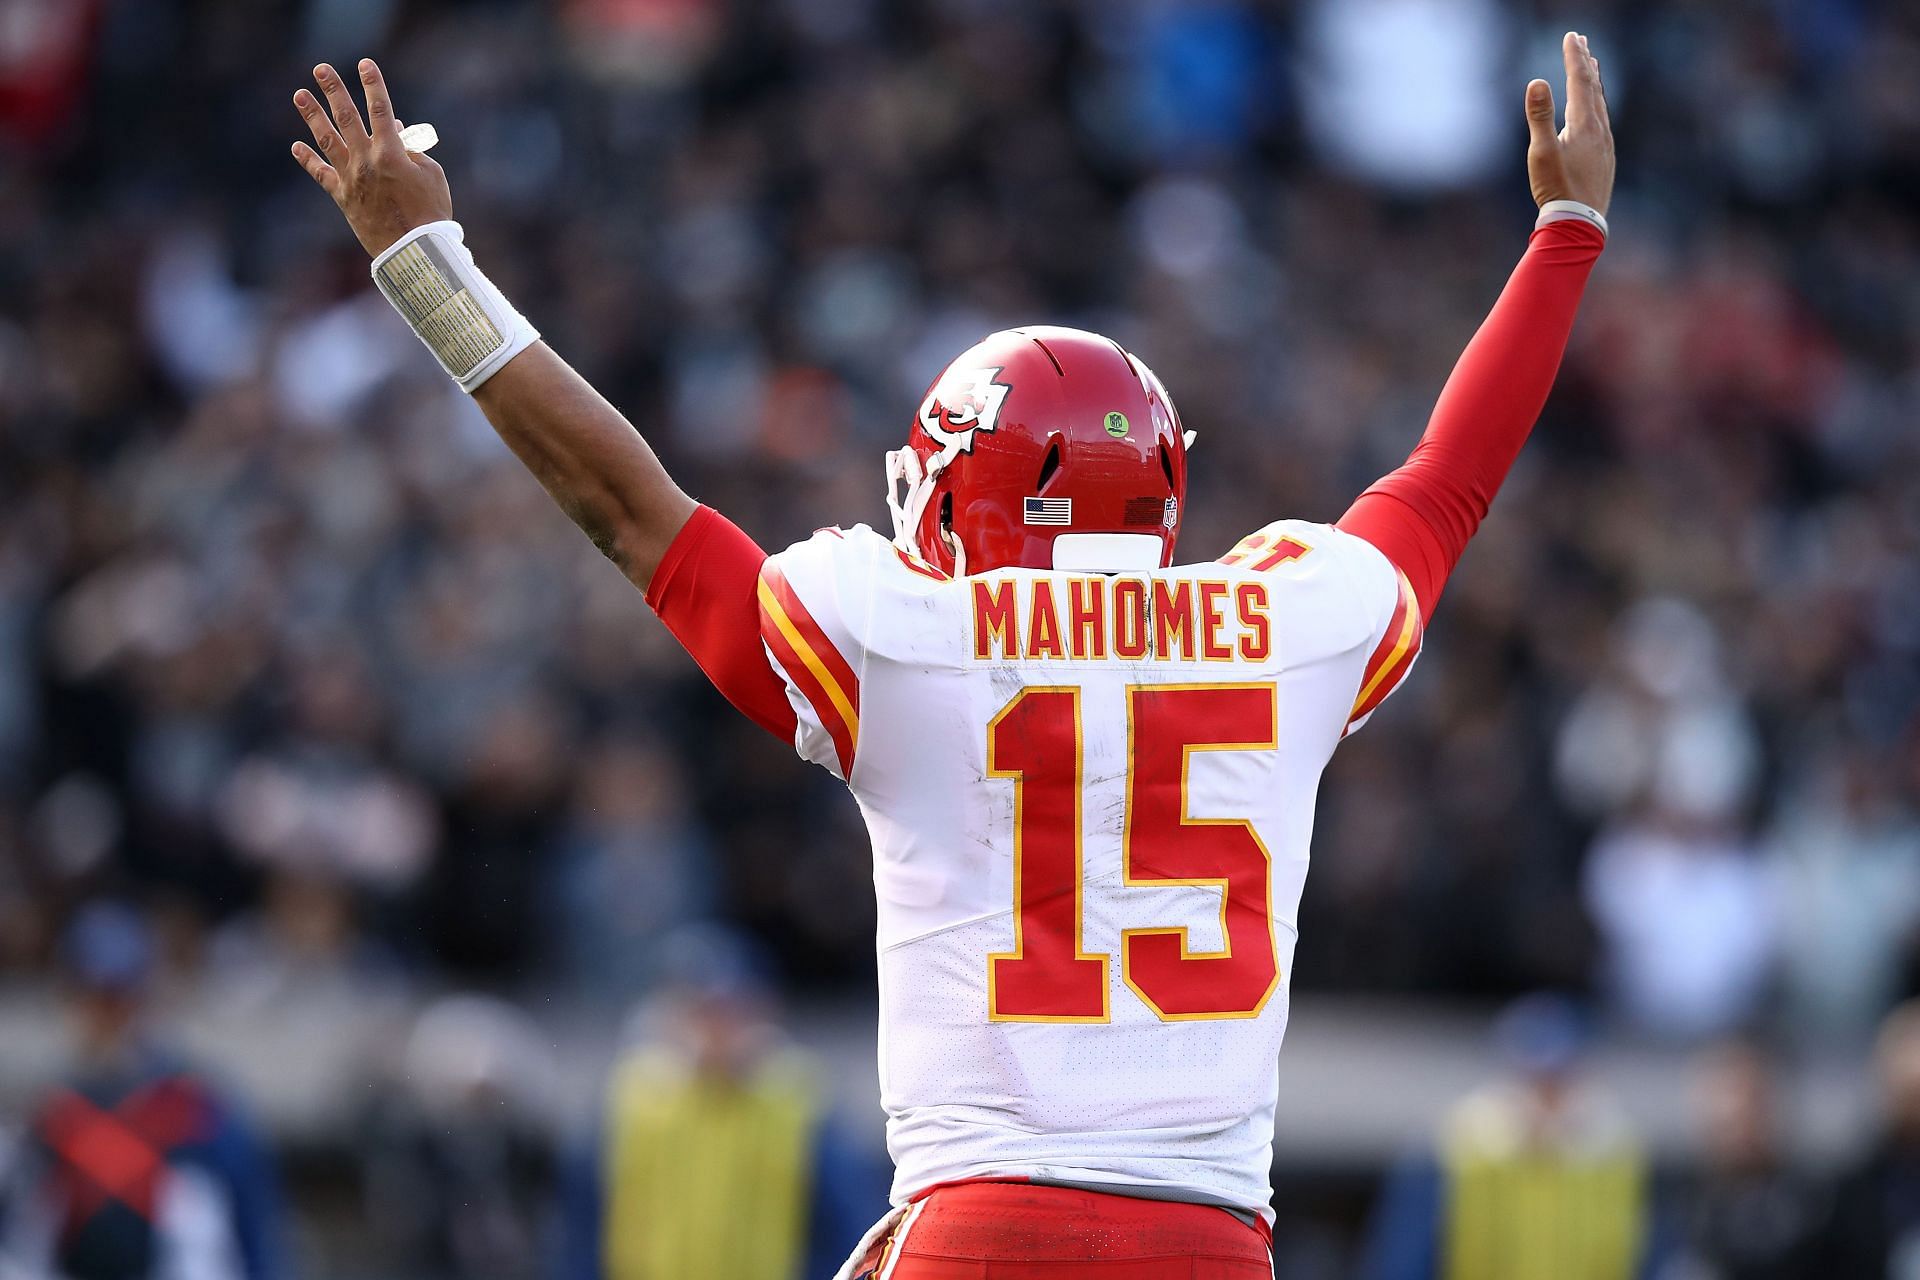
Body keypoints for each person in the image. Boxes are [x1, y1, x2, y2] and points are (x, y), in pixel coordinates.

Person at [287, 30, 1613, 1277]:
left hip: (982, 1221)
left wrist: (427, 269)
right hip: (1209, 1240)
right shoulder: (1287, 623)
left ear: (991, 489)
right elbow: (1447, 486)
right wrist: (1566, 237)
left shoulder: (907, 634)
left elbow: (631, 512)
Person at [0, 903, 286, 1280]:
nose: (109, 1014)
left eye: (121, 996)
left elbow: (255, 1237)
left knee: (193, 1205)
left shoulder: (197, 1107)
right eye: (94, 996)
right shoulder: (44, 1116)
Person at [1362, 994, 1654, 1280]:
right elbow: (1403, 1263)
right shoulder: (1451, 1150)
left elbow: (1645, 1260)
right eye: (1535, 1080)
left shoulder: (1619, 1156)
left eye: (1557, 1082)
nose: (1545, 1097)